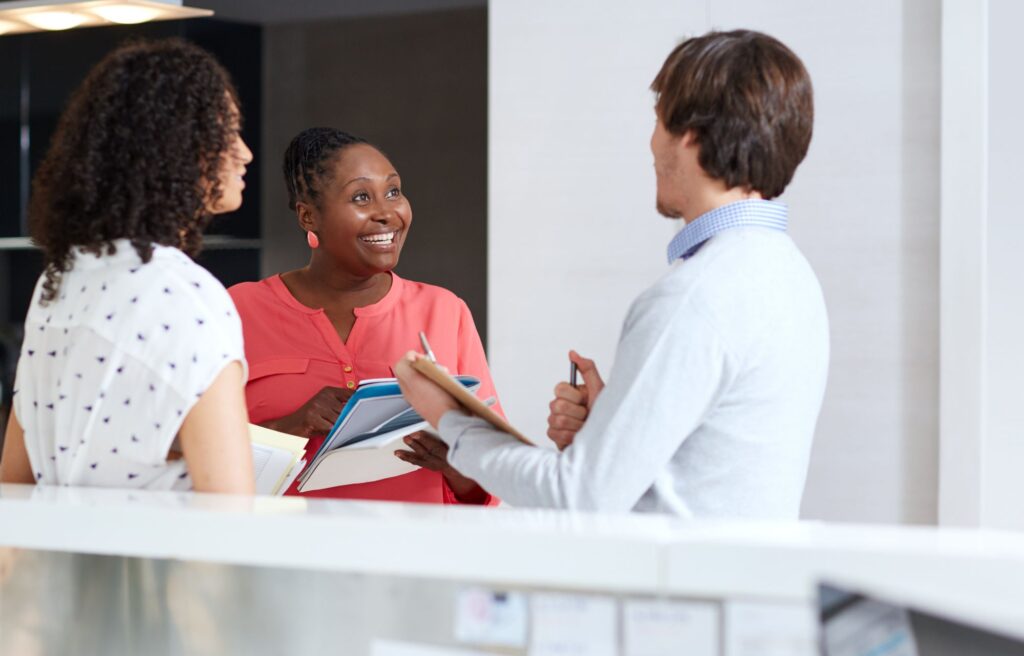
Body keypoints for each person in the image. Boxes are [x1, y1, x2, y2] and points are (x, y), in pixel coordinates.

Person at [396, 29, 830, 517]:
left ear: (691, 138)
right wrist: (610, 429)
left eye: (658, 120)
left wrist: (449, 417)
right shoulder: (789, 274)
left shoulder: (693, 298)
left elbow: (576, 496)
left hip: (674, 569)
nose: (651, 144)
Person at [0, 39, 255, 494]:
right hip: (160, 544)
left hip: (60, 543)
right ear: (175, 147)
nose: (244, 153)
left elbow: (12, 484)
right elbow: (229, 510)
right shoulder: (191, 298)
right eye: (227, 133)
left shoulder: (59, 280)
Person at [228, 128, 498, 504]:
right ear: (308, 217)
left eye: (393, 191)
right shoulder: (236, 310)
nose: (387, 213)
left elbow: (495, 478)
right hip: (283, 539)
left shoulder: (445, 310)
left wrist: (457, 466)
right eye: (361, 197)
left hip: (416, 540)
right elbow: (193, 457)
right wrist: (292, 425)